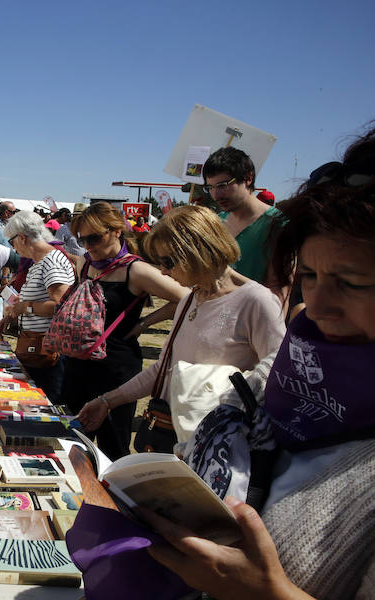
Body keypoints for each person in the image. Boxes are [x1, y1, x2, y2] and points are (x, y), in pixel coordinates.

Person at [147, 125, 375, 600]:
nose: (317, 306)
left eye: (353, 283)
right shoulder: (280, 383)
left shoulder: (255, 305)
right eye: (308, 276)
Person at [77, 205, 285, 452]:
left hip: (219, 449)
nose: (163, 271)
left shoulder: (255, 301)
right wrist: (107, 401)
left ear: (197, 251)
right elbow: (164, 369)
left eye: (167, 261)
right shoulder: (190, 300)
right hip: (173, 439)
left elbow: (278, 382)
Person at [63, 202, 188, 459]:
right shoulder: (84, 264)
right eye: (82, 239)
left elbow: (186, 298)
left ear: (117, 230)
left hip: (116, 368)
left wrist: (144, 323)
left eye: (94, 238)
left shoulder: (136, 270)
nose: (88, 245)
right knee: (71, 440)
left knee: (113, 445)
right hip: (77, 363)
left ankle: (112, 496)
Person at [0, 211, 74, 404]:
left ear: (22, 238)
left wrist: (25, 308)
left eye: (12, 242)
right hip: (38, 351)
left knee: (47, 405)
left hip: (49, 355)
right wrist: (13, 315)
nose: (13, 248)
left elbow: (60, 305)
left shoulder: (51, 261)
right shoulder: (39, 262)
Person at [203, 147, 282, 289]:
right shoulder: (217, 222)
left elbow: (280, 292)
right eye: (210, 187)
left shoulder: (278, 224)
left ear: (248, 178)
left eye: (223, 185)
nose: (216, 195)